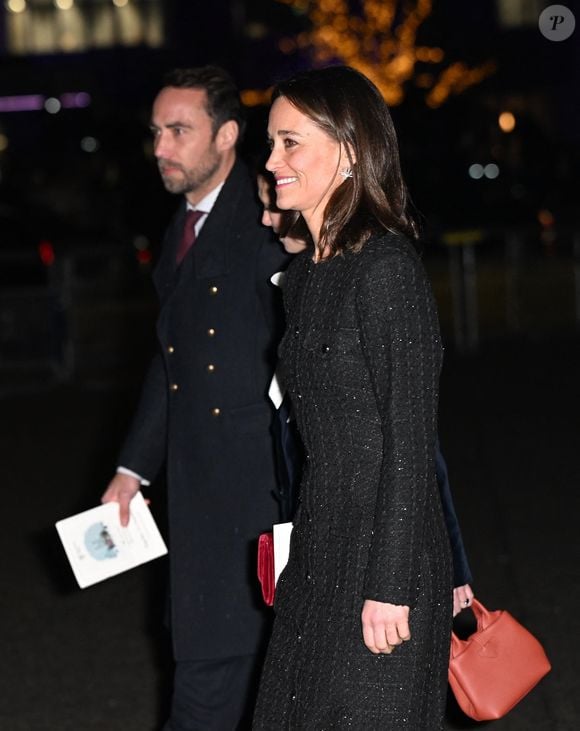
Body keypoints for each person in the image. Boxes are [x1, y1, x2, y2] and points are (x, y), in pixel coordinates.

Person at [252, 65, 455, 730]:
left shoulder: (386, 268)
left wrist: (390, 584)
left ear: (348, 149)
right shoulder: (306, 278)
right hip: (318, 551)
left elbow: (409, 440)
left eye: (290, 142)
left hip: (382, 563)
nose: (271, 160)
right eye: (271, 143)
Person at [101, 66, 289, 731]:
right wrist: (132, 468)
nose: (161, 147)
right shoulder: (183, 225)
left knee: (213, 695)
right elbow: (170, 357)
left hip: (258, 504)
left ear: (229, 135)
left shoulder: (270, 219)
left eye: (179, 130)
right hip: (200, 502)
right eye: (156, 131)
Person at [258, 171, 475, 616]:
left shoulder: (374, 277)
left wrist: (455, 566)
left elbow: (419, 450)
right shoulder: (294, 288)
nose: (266, 218)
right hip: (312, 540)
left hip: (367, 549)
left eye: (274, 207)